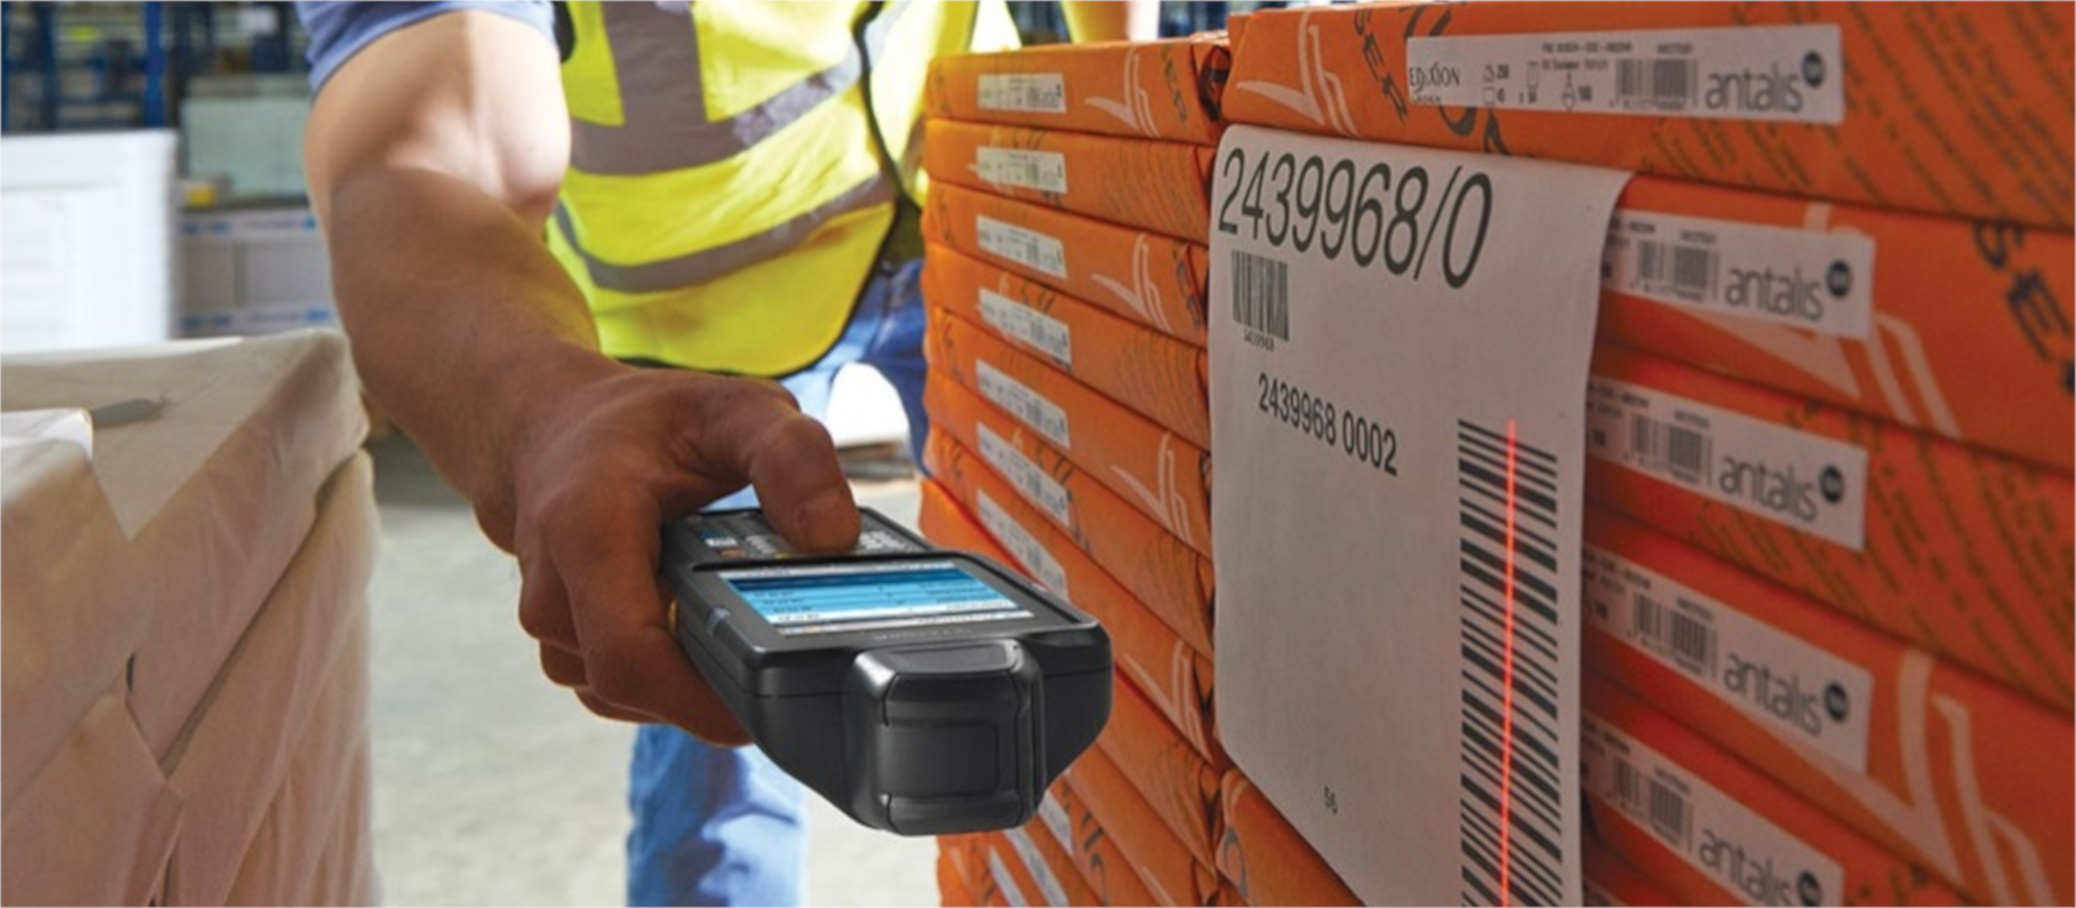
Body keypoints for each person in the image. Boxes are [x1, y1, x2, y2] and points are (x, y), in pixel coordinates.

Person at [296, 2, 1154, 904]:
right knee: (722, 717)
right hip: (710, 329)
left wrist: (1135, 96)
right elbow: (421, 149)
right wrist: (545, 407)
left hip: (971, 211)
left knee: (1076, 635)